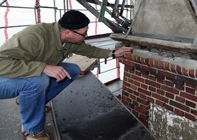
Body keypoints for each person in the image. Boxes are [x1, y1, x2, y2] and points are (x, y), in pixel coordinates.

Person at [0, 10, 133, 140]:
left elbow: (88, 50)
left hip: (26, 73)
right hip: (5, 78)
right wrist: (44, 67)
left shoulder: (68, 40)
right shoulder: (34, 36)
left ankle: (35, 102)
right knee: (38, 81)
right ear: (68, 32)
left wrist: (114, 53)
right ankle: (32, 131)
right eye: (84, 33)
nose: (86, 36)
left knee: (72, 70)